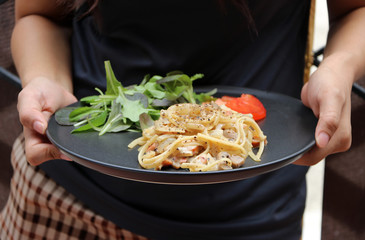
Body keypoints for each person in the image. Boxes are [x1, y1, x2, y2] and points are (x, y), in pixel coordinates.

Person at [1, 0, 364, 239]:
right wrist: (43, 80)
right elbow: (39, 15)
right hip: (65, 195)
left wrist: (338, 68)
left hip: (248, 219)